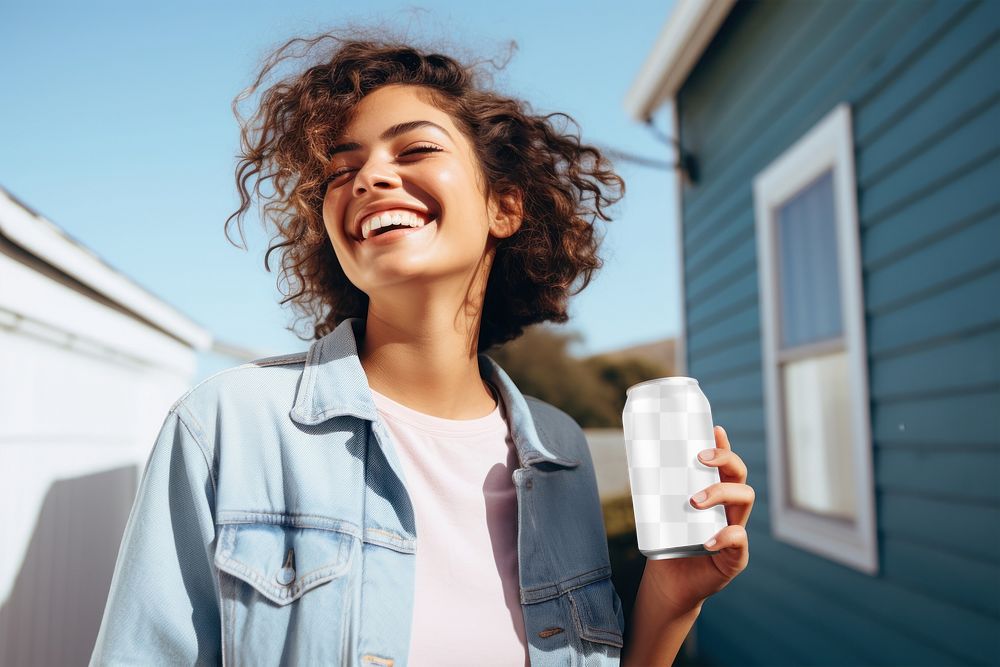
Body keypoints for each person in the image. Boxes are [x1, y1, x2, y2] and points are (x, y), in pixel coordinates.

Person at [90, 26, 753, 667]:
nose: (368, 177)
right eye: (341, 169)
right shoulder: (224, 425)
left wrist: (670, 598)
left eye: (413, 151)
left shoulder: (561, 452)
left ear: (505, 207)